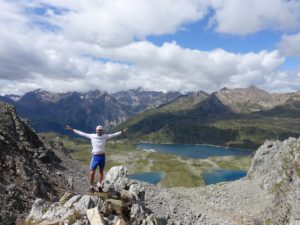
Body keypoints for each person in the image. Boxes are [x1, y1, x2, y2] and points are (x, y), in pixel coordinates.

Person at [65, 125, 128, 193]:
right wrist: (72, 129)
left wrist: (122, 132)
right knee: (92, 172)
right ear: (96, 131)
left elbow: (113, 135)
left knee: (101, 172)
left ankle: (99, 185)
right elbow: (82, 133)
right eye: (98, 130)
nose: (99, 131)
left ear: (102, 131)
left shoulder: (105, 136)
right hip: (95, 157)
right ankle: (91, 186)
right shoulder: (92, 136)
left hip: (102, 157)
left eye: (100, 130)